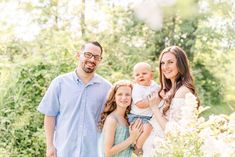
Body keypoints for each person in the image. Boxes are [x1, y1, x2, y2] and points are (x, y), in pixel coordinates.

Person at [37, 41, 112, 157]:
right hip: (63, 151)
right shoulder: (60, 83)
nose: (92, 60)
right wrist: (50, 146)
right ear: (78, 55)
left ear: (100, 61)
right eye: (88, 55)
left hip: (93, 152)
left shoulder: (107, 88)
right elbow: (50, 115)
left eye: (96, 57)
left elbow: (112, 119)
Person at [142, 46, 199, 157]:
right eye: (162, 63)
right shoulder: (168, 90)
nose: (165, 67)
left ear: (181, 64)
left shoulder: (182, 92)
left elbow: (173, 133)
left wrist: (154, 108)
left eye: (170, 62)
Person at [98, 80, 143, 157]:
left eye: (127, 94)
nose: (124, 97)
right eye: (120, 94)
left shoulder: (128, 119)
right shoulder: (112, 119)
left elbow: (134, 151)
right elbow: (108, 152)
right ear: (114, 98)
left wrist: (136, 144)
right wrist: (131, 139)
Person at [128, 62, 159, 155]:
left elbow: (159, 92)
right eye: (137, 75)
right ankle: (137, 147)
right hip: (137, 116)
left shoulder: (154, 85)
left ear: (151, 75)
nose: (140, 76)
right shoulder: (137, 89)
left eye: (144, 73)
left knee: (151, 130)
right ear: (134, 78)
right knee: (148, 129)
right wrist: (152, 103)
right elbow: (139, 104)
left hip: (148, 116)